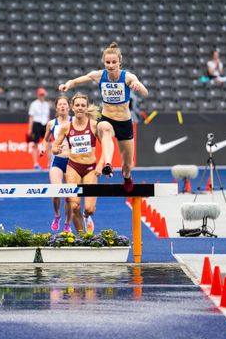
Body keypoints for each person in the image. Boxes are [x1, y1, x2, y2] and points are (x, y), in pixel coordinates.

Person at [58, 42, 148, 192]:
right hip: (107, 118)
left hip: (125, 122)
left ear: (120, 61)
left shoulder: (128, 77)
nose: (111, 65)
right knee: (104, 128)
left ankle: (127, 177)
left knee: (128, 164)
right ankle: (108, 164)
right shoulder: (99, 75)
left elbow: (145, 92)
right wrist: (68, 84)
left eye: (114, 62)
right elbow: (78, 80)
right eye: (108, 62)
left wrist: (138, 86)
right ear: (104, 62)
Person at [51, 93, 103, 234]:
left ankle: (87, 217)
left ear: (86, 108)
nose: (80, 108)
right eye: (77, 105)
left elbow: (106, 146)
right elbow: (54, 147)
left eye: (83, 105)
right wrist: (56, 149)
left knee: (89, 209)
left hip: (90, 168)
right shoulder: (66, 127)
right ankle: (82, 237)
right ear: (72, 108)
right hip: (73, 167)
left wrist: (101, 164)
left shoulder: (93, 125)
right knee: (74, 206)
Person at [40, 96, 72, 233]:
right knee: (56, 190)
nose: (63, 107)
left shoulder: (75, 122)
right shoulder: (51, 124)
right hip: (57, 160)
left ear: (69, 107)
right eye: (60, 105)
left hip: (72, 161)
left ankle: (67, 223)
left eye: (65, 104)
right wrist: (43, 147)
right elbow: (45, 140)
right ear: (57, 107)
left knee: (70, 196)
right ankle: (57, 215)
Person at [28, 88, 50, 170]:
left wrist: (49, 127)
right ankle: (35, 163)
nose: (42, 96)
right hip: (36, 124)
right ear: (38, 95)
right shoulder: (34, 104)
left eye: (43, 94)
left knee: (49, 144)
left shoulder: (46, 104)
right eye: (41, 94)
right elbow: (31, 117)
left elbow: (47, 117)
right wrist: (30, 129)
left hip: (45, 125)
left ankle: (49, 163)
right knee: (35, 144)